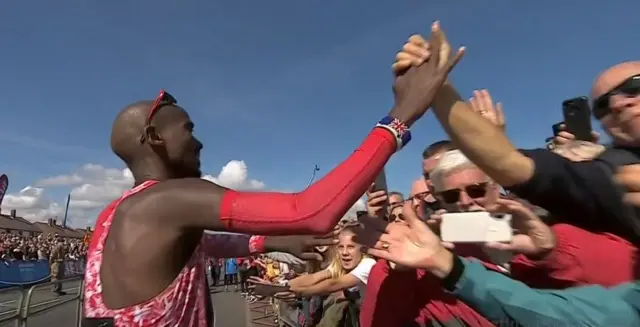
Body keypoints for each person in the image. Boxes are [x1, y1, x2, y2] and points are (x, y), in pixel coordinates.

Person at [81, 23, 464, 327]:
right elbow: (310, 210)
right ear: (154, 138)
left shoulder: (114, 214)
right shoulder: (169, 199)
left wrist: (277, 243)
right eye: (188, 129)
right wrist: (399, 118)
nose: (199, 143)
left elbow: (209, 245)